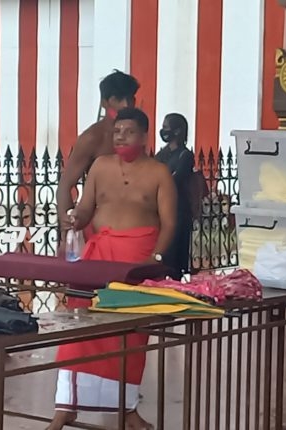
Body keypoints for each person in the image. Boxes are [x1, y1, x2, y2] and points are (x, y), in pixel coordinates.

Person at [48, 108, 177, 430]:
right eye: (117, 131)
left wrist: (156, 259)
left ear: (144, 136)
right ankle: (65, 407)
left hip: (136, 262)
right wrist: (74, 220)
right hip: (97, 258)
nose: (121, 137)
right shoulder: (101, 166)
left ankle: (127, 409)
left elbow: (169, 222)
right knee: (81, 330)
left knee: (129, 338)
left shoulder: (159, 172)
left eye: (128, 132)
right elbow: (85, 209)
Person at [56, 70, 140, 246]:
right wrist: (68, 229)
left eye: (130, 98)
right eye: (119, 99)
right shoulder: (93, 138)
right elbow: (64, 186)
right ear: (104, 102)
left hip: (134, 224)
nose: (126, 104)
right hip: (97, 225)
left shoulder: (138, 135)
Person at [154, 113, 195, 278]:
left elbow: (175, 180)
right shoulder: (162, 154)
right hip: (160, 207)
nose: (163, 131)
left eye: (166, 127)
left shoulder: (185, 155)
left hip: (178, 208)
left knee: (174, 252)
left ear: (177, 131)